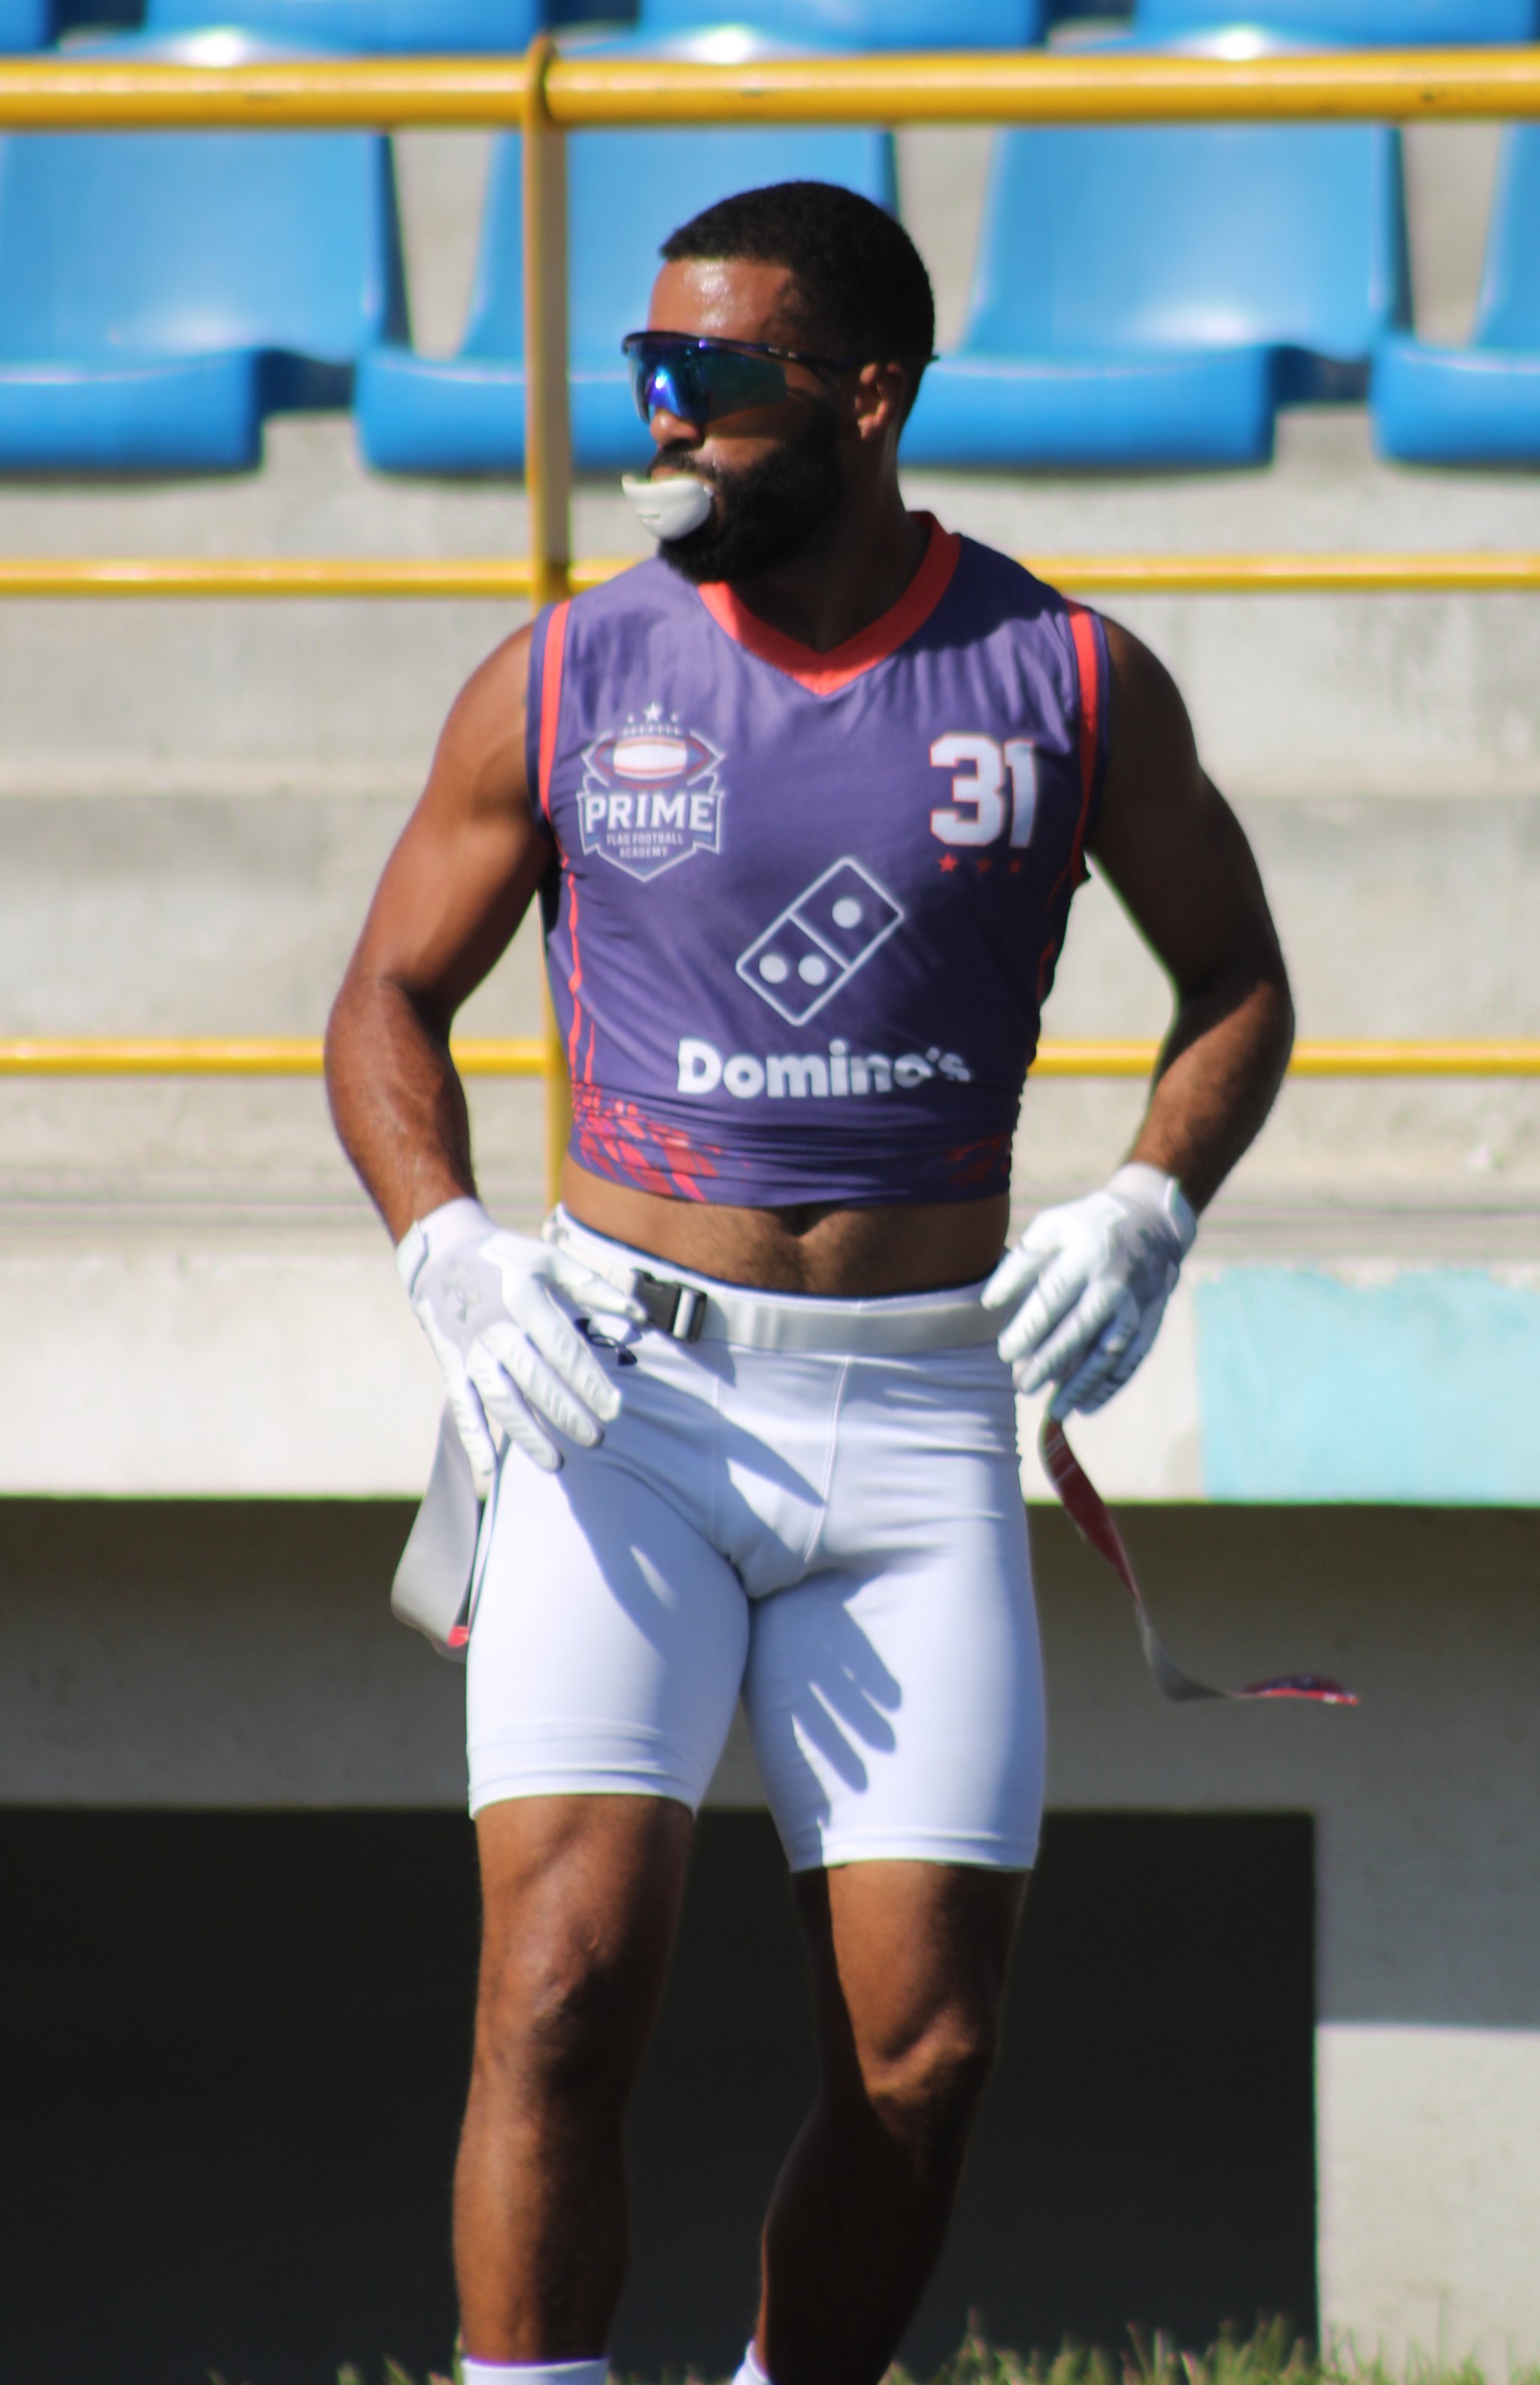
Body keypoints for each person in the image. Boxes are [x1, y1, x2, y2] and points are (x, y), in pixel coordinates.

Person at [325, 180, 1293, 2385]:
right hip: (614, 1404)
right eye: (644, 370)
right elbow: (384, 994)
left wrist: (1147, 1198)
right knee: (560, 1993)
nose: (664, 419)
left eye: (716, 376)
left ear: (866, 395)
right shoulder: (567, 669)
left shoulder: (1062, 674)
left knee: (924, 2059)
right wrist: (453, 1249)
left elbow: (1234, 977)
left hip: (919, 1415)